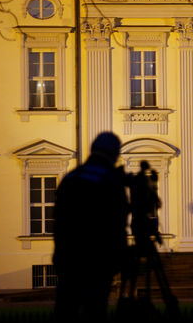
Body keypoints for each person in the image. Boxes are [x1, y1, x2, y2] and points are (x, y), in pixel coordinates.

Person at [54, 132, 129, 323]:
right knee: (94, 313)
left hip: (68, 259)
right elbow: (117, 224)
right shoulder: (110, 180)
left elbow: (59, 222)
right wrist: (121, 258)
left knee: (65, 312)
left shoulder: (71, 177)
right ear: (114, 154)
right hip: (97, 261)